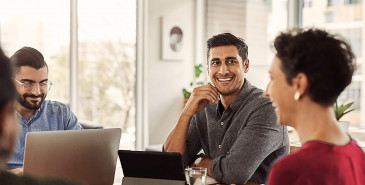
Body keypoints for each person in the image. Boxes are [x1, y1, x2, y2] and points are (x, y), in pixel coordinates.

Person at [164, 33, 289, 185]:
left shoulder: (266, 107)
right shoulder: (204, 105)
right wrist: (186, 113)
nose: (223, 71)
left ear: (246, 65)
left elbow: (234, 173)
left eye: (231, 61)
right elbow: (170, 162)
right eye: (216, 63)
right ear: (208, 69)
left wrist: (199, 161)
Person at [265, 28, 365, 184]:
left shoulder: (291, 171)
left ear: (299, 84)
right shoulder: (356, 153)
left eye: (273, 78)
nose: (266, 91)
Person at [0, 46, 83, 185]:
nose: (36, 92)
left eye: (43, 83)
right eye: (28, 83)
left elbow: (83, 157)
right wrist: (11, 176)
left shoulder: (62, 114)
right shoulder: (2, 116)